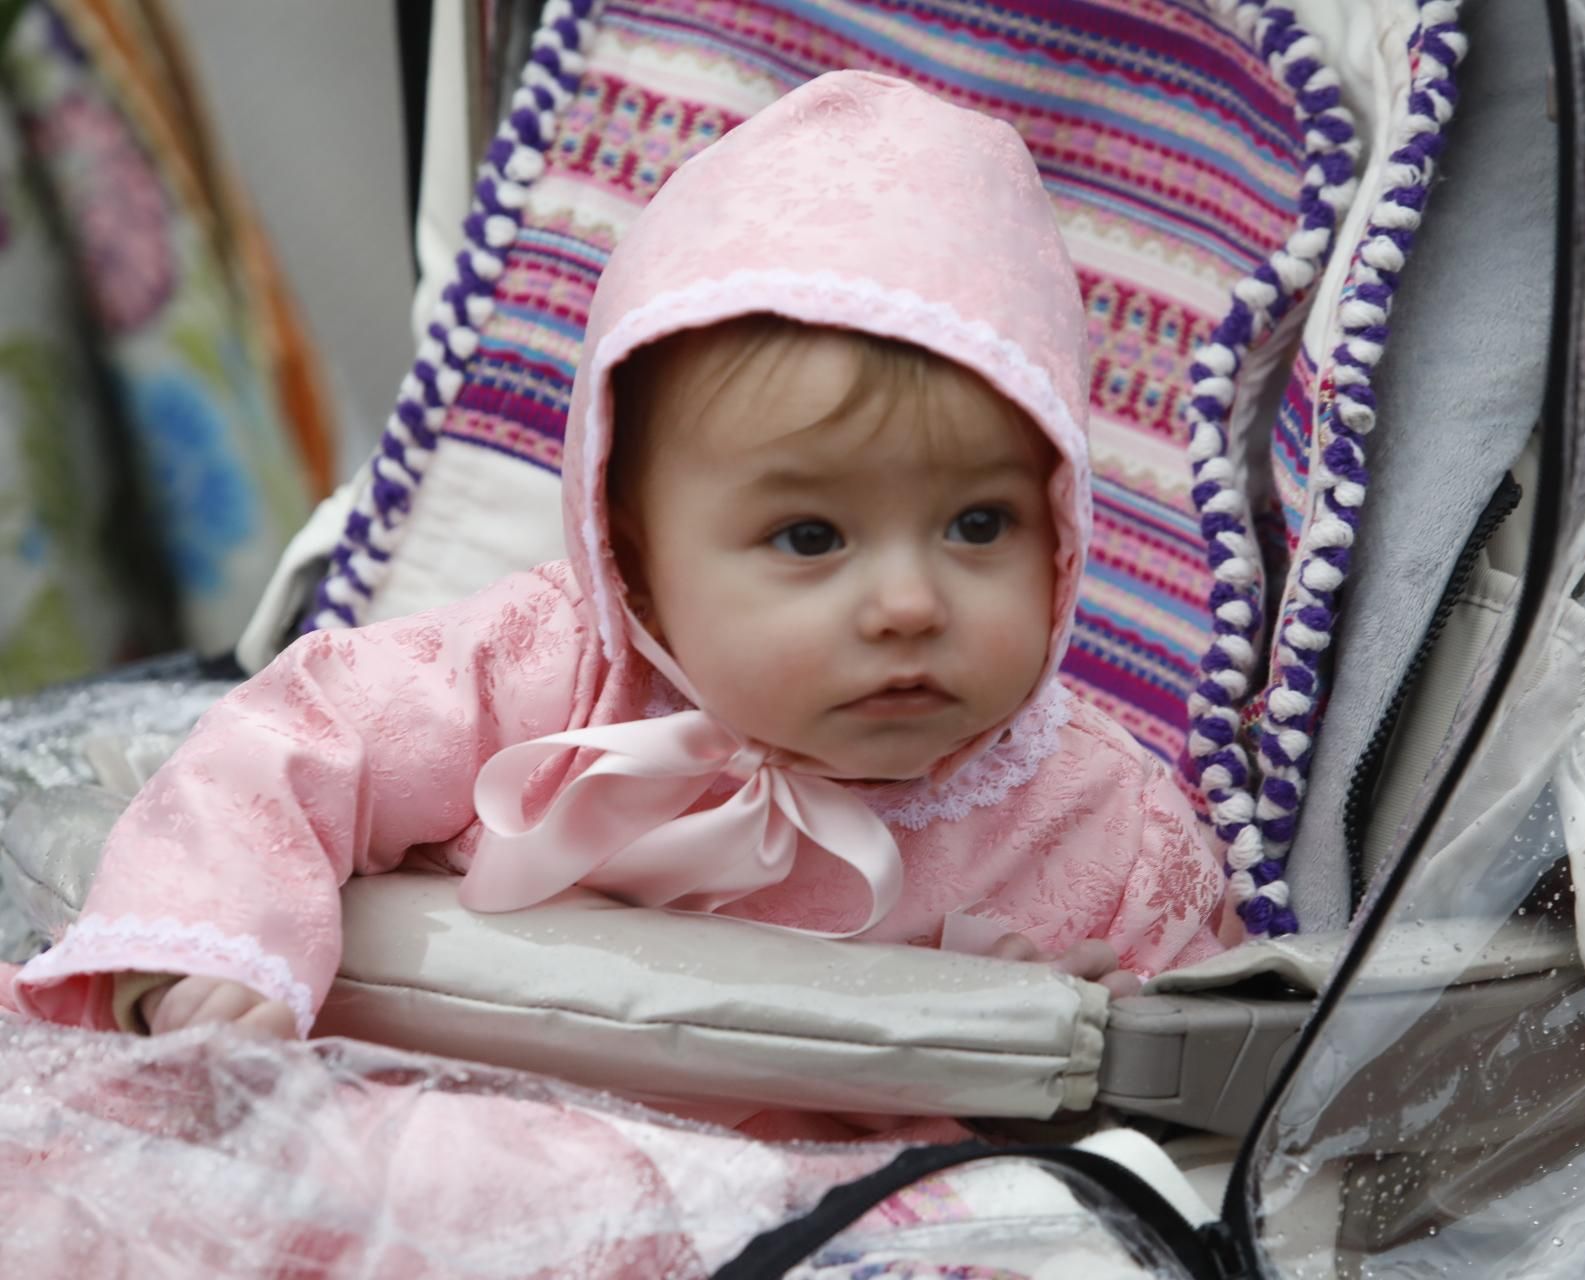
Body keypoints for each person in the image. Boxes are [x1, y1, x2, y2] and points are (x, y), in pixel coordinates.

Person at [10, 72, 1226, 1092]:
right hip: (498, 1115)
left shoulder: (1107, 826)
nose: (910, 600)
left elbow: (1230, 1084)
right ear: (633, 552)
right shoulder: (553, 670)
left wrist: (1113, 1056)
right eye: (810, 537)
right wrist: (225, 938)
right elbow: (294, 741)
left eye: (978, 523)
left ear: (1064, 530)